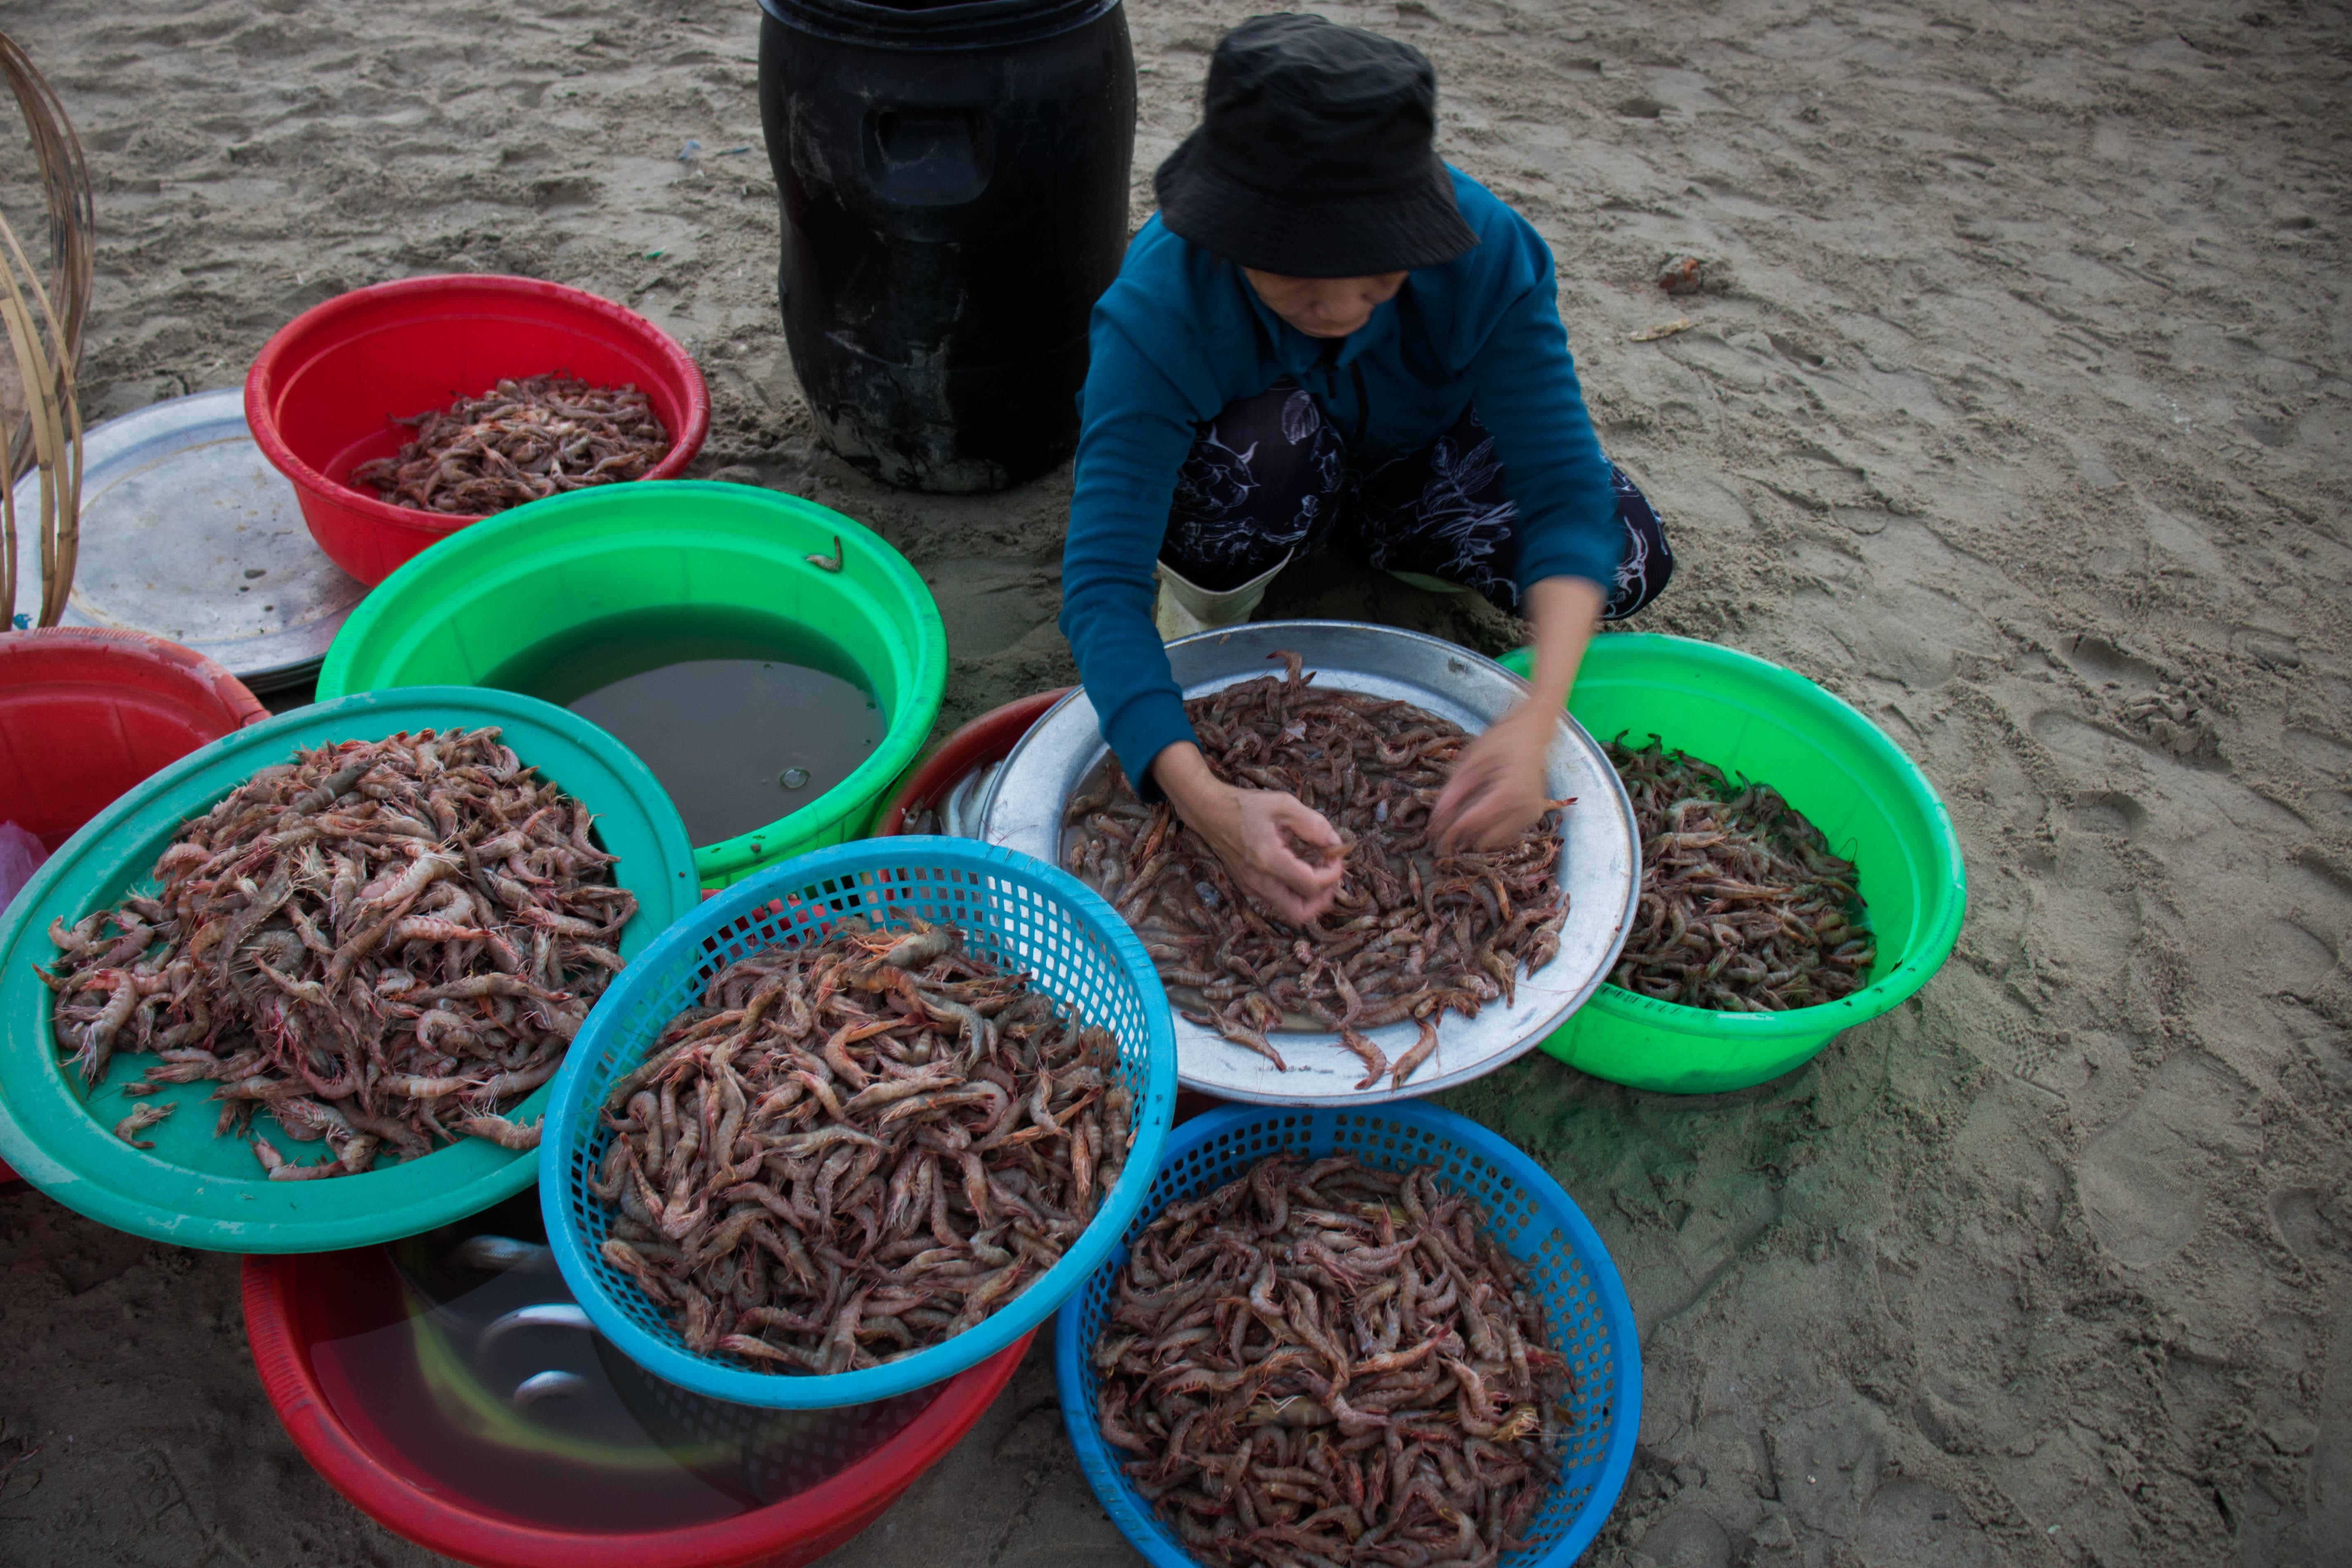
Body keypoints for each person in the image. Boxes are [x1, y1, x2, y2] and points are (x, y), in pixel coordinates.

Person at [1058, 13, 1673, 924]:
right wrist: (1203, 799)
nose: (1340, 304)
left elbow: (1564, 490)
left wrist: (1538, 715)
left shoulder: (1488, 253)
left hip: (1410, 459)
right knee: (1267, 449)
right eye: (1297, 270)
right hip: (1264, 470)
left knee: (1625, 556)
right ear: (1229, 230)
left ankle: (1394, 548)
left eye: (1377, 267)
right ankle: (1209, 606)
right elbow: (1099, 584)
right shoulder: (1159, 306)